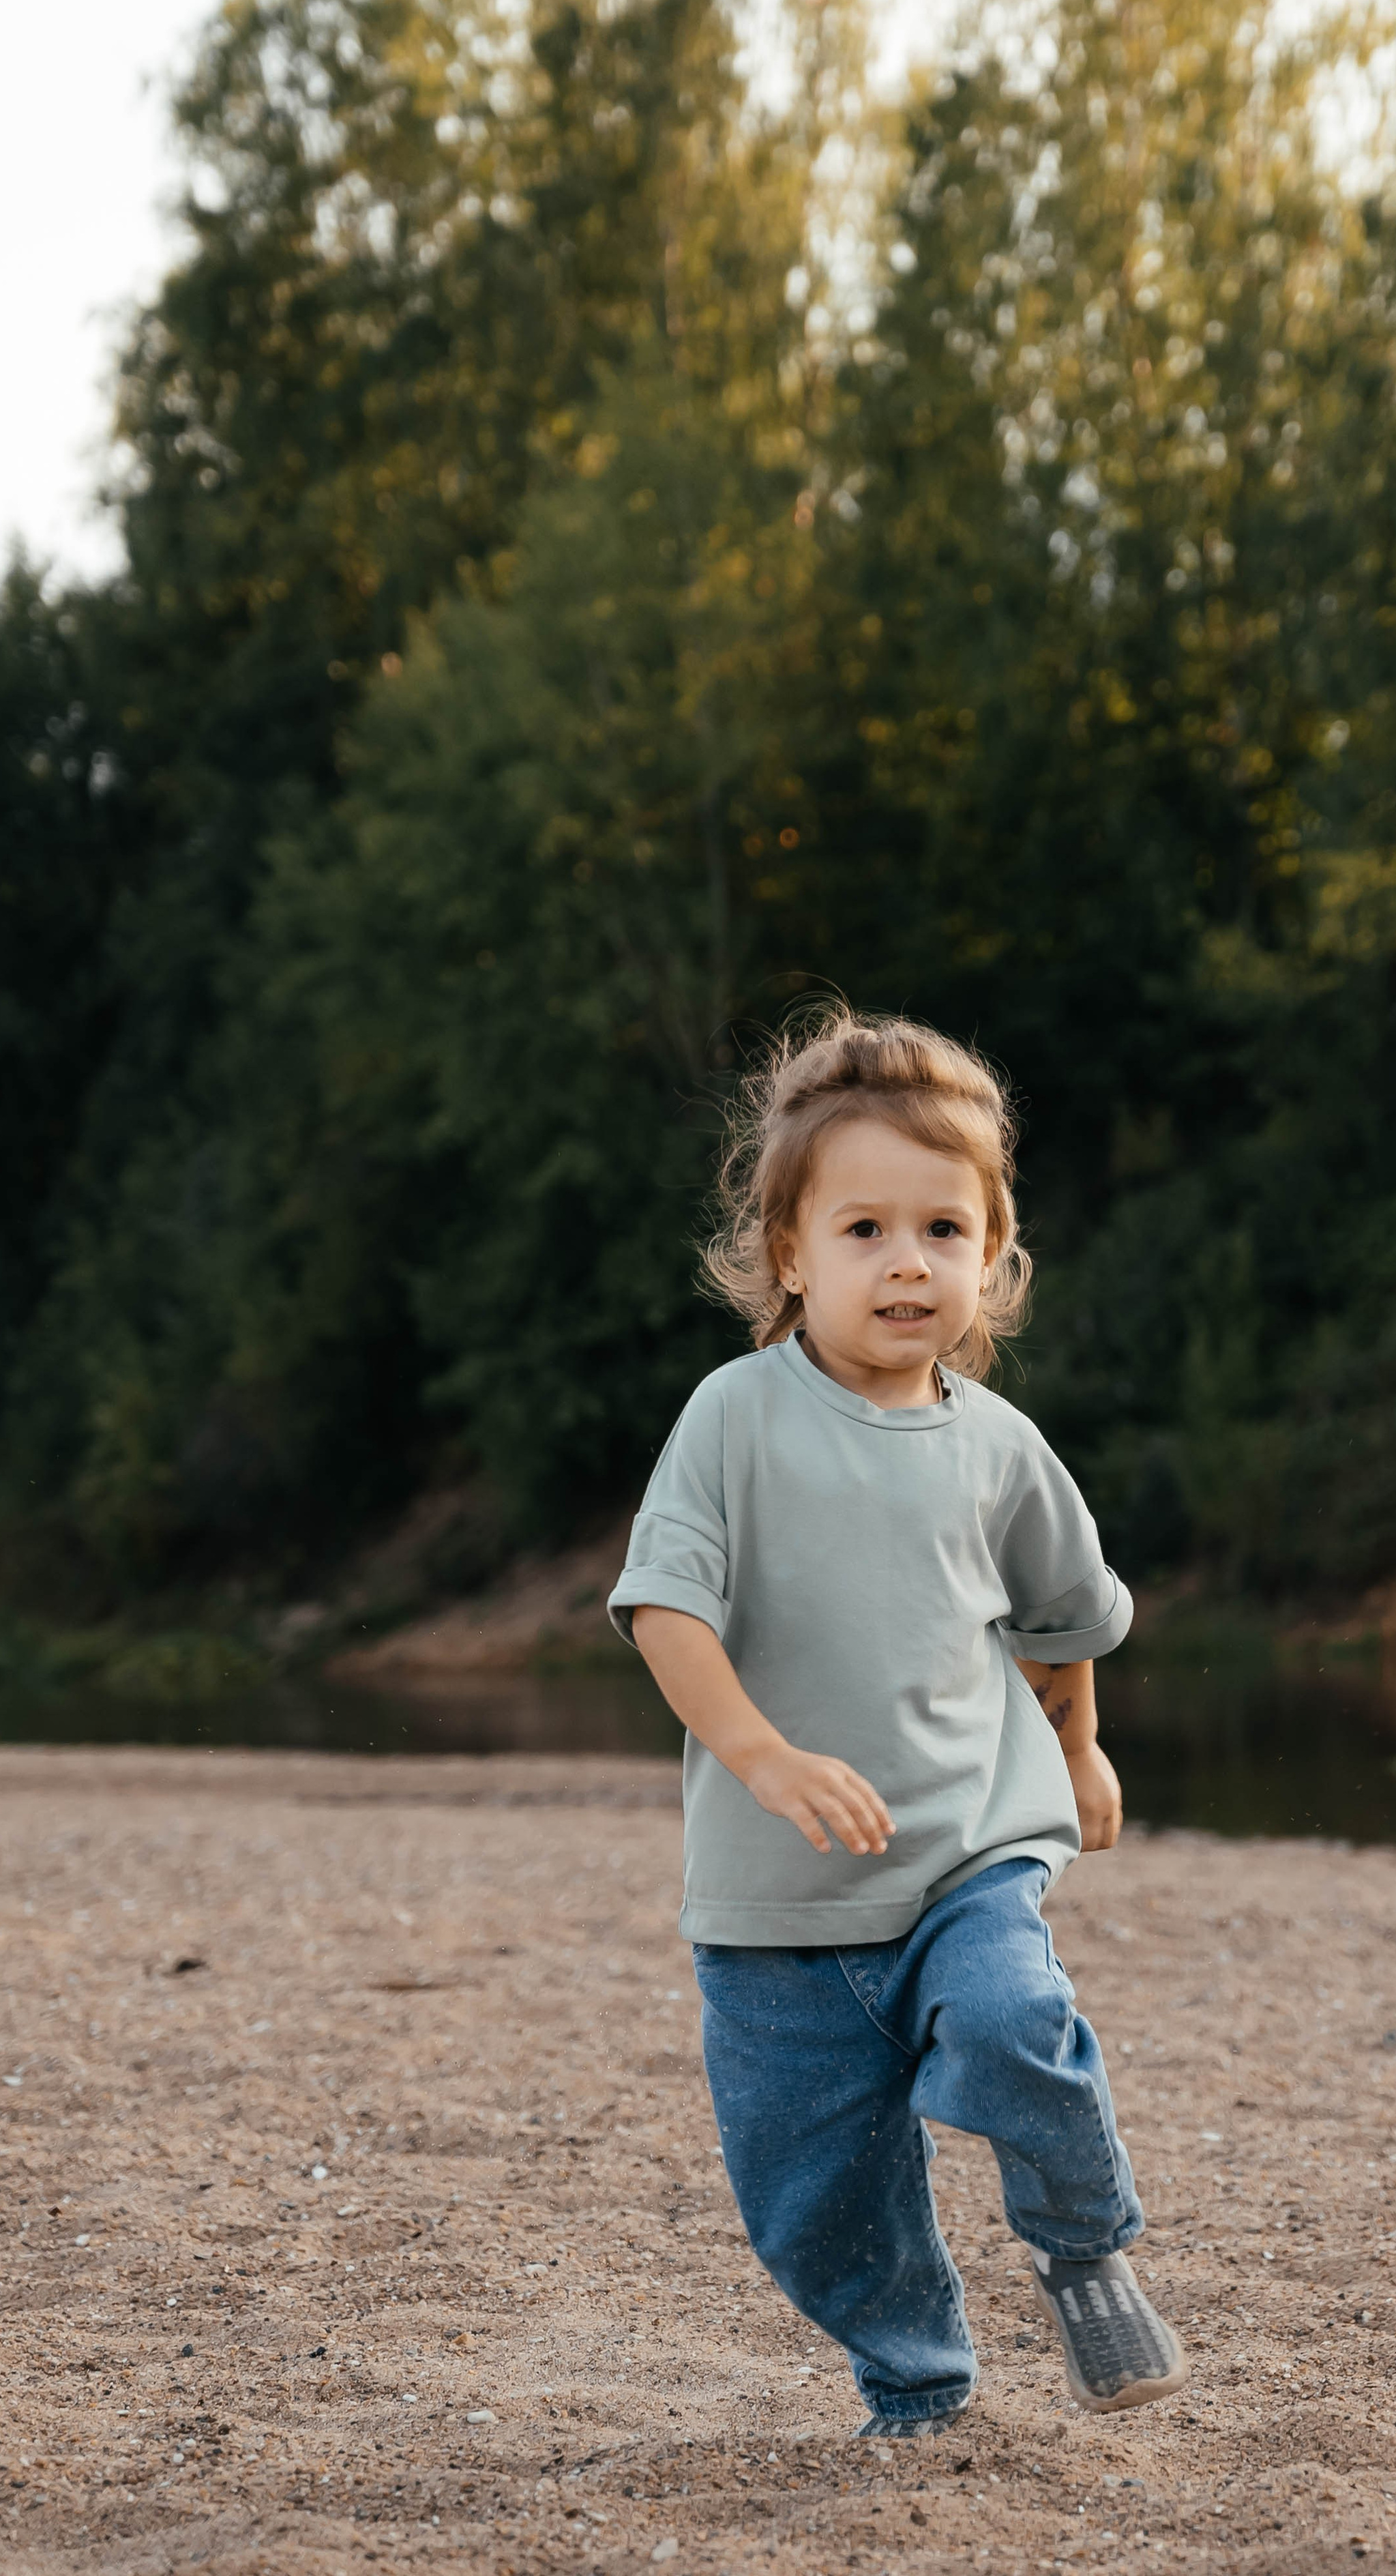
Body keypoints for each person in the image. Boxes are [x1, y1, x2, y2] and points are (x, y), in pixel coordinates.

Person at [607, 1010, 1187, 2434]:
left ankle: (1081, 2247)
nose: (907, 1261)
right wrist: (758, 1753)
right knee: (812, 2206)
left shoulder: (999, 1447)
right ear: (790, 1255)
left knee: (1011, 2025)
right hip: (773, 1909)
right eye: (863, 1229)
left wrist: (1076, 1749)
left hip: (959, 1860)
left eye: (943, 1228)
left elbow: (1059, 1620)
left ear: (992, 1259)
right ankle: (916, 2387)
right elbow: (666, 1609)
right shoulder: (733, 1419)